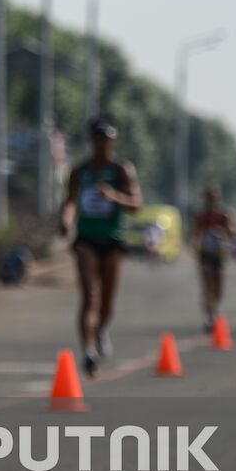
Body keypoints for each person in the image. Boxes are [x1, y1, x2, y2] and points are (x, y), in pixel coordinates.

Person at [58, 117, 142, 377]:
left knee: (106, 303)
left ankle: (102, 329)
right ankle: (87, 350)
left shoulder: (121, 170)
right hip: (86, 239)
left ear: (112, 141)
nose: (101, 144)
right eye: (97, 139)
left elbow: (137, 205)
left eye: (106, 139)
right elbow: (70, 202)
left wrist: (114, 196)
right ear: (91, 141)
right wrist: (66, 219)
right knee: (89, 296)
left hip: (113, 240)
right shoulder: (79, 171)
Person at [191, 187, 236, 331]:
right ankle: (208, 316)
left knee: (219, 288)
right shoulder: (201, 216)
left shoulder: (224, 215)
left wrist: (224, 232)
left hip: (219, 255)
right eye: (209, 199)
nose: (211, 202)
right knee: (207, 286)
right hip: (205, 254)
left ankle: (215, 308)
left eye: (214, 199)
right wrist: (195, 246)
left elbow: (234, 232)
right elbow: (195, 234)